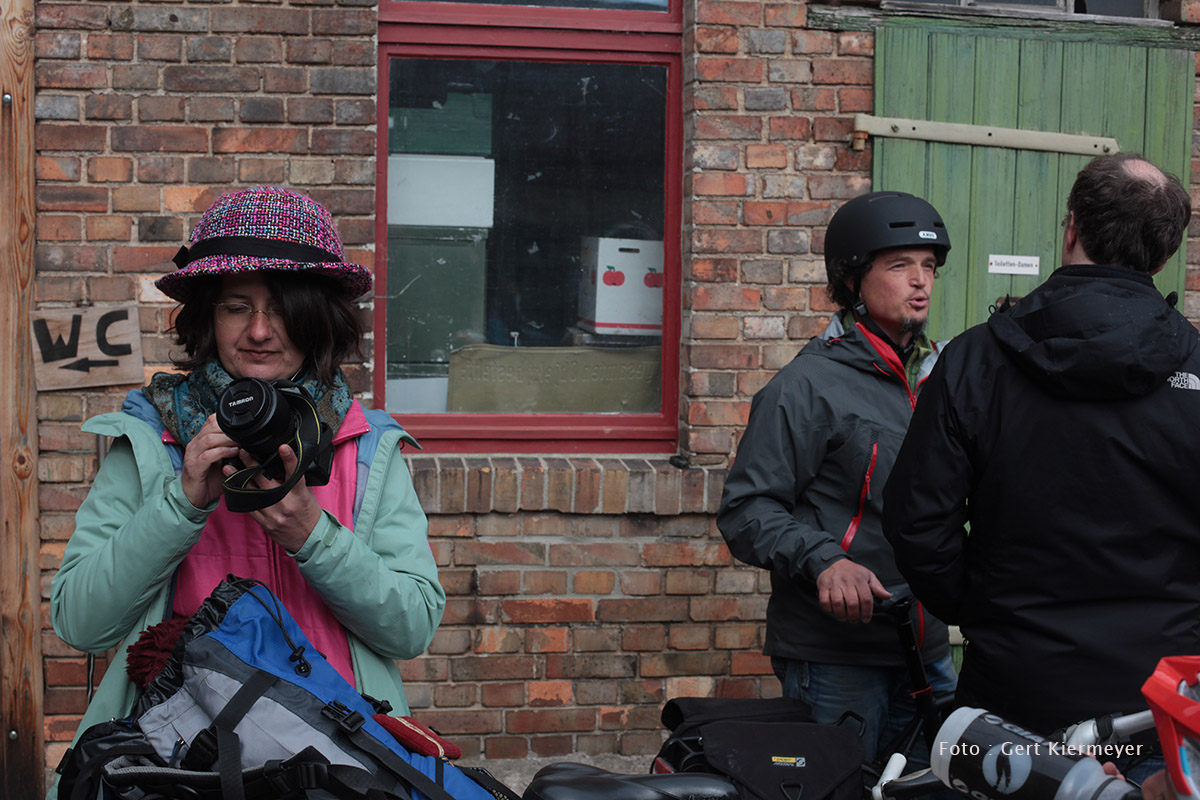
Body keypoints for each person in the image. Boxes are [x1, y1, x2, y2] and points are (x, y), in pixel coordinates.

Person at [49, 186, 446, 794]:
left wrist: (312, 536)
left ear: (319, 319)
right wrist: (181, 504)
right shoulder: (152, 440)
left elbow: (410, 628)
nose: (259, 331)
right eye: (237, 306)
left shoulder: (365, 447)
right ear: (208, 318)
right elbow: (80, 622)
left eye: (282, 308)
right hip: (180, 766)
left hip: (336, 765)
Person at [882, 153, 1198, 762]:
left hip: (1015, 695)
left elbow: (917, 522)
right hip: (1158, 705)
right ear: (1163, 257)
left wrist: (984, 609)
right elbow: (919, 522)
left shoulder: (973, 361)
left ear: (1071, 226)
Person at [717, 191, 957, 765]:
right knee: (841, 784)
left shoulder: (944, 378)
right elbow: (747, 509)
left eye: (928, 267)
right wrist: (824, 559)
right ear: (852, 280)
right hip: (837, 657)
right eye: (899, 266)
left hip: (928, 648)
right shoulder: (806, 386)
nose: (920, 281)